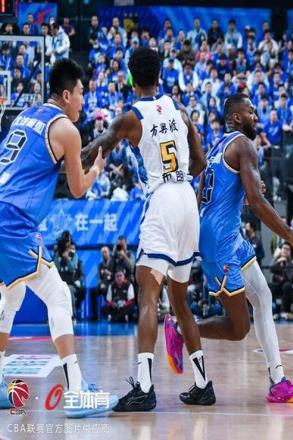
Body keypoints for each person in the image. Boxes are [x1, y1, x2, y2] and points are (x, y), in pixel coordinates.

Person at [165, 94, 293, 403]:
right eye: (251, 111)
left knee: (264, 297)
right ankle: (180, 328)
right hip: (220, 243)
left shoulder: (217, 148)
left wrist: (245, 191)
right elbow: (257, 204)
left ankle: (278, 381)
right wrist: (292, 237)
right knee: (238, 328)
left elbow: (210, 198)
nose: (256, 116)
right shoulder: (244, 145)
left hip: (227, 236)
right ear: (236, 117)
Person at [81, 47, 209, 409]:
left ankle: (144, 386)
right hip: (187, 199)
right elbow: (199, 162)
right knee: (180, 301)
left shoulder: (131, 117)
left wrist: (67, 159)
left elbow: (98, 148)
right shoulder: (180, 112)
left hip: (163, 199)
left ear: (130, 77)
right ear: (159, 75)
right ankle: (203, 383)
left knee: (148, 295)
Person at [0, 59, 117, 417]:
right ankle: (76, 391)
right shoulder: (67, 129)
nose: (83, 100)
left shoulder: (25, 115)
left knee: (11, 295)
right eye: (81, 93)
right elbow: (78, 189)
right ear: (66, 95)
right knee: (58, 295)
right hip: (12, 221)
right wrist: (96, 169)